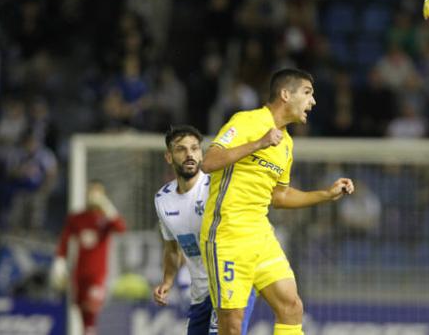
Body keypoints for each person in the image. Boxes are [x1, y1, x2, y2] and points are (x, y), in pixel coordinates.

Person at [200, 68, 355, 335]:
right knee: (232, 324)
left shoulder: (286, 144)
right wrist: (258, 143)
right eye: (308, 93)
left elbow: (279, 196)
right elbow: (209, 162)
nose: (313, 102)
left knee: (291, 306)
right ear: (285, 94)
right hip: (227, 235)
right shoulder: (248, 121)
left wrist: (326, 194)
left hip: (260, 235)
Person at [152, 125, 255, 334]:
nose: (189, 154)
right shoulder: (162, 199)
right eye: (181, 149)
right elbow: (172, 248)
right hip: (199, 293)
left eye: (195, 148)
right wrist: (167, 281)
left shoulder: (217, 188)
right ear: (169, 157)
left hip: (229, 284)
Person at [50, 180, 127, 335]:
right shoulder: (77, 218)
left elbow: (121, 228)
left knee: (92, 311)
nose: (93, 196)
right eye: (91, 191)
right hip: (79, 274)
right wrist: (59, 262)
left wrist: (106, 205)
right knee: (83, 316)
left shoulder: (106, 220)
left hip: (98, 275)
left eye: (98, 192)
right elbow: (64, 241)